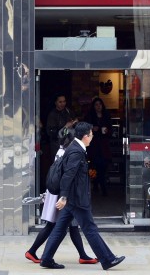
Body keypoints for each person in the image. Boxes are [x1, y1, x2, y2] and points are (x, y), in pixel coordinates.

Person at [39, 122, 125, 270]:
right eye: (91, 135)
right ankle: (107, 259)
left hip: (72, 199)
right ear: (85, 136)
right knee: (90, 228)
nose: (92, 137)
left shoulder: (75, 148)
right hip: (77, 199)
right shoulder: (76, 152)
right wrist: (64, 196)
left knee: (59, 229)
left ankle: (46, 258)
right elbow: (68, 175)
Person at [25, 125, 97, 265]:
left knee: (70, 225)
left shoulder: (61, 150)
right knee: (54, 225)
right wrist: (64, 195)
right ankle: (33, 251)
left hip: (57, 193)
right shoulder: (70, 152)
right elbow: (67, 176)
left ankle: (82, 255)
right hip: (61, 194)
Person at [84, 97, 112, 196]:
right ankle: (97, 184)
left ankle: (101, 184)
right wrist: (92, 129)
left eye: (100, 104)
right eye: (96, 104)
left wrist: (107, 131)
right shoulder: (90, 116)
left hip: (104, 144)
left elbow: (111, 130)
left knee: (103, 165)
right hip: (94, 145)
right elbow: (85, 129)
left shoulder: (106, 116)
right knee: (94, 165)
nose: (98, 106)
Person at [46, 93, 77, 158]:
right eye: (60, 102)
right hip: (57, 145)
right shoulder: (52, 114)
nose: (63, 104)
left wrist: (74, 123)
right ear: (55, 103)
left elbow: (74, 121)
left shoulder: (68, 111)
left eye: (64, 101)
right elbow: (51, 132)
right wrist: (65, 126)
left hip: (69, 142)